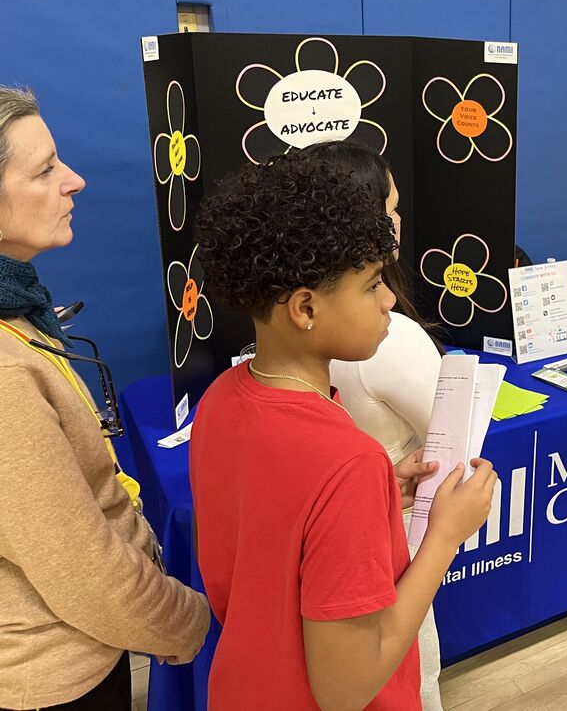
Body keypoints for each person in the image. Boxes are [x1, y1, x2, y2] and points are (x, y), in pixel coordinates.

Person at [189, 147, 497, 710]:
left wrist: (378, 492)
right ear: (305, 308)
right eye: (372, 284)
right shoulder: (343, 460)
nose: (387, 301)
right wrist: (444, 539)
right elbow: (345, 688)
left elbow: (268, 549)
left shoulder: (220, 403)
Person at [0, 86, 209, 710]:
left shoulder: (20, 311)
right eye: (45, 171)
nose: (75, 181)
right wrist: (187, 621)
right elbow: (80, 570)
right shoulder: (6, 375)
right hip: (56, 677)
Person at [317, 141, 448, 711]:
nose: (398, 219)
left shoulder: (305, 333)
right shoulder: (388, 337)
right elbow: (454, 443)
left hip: (351, 540)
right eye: (389, 207)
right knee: (406, 676)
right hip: (387, 544)